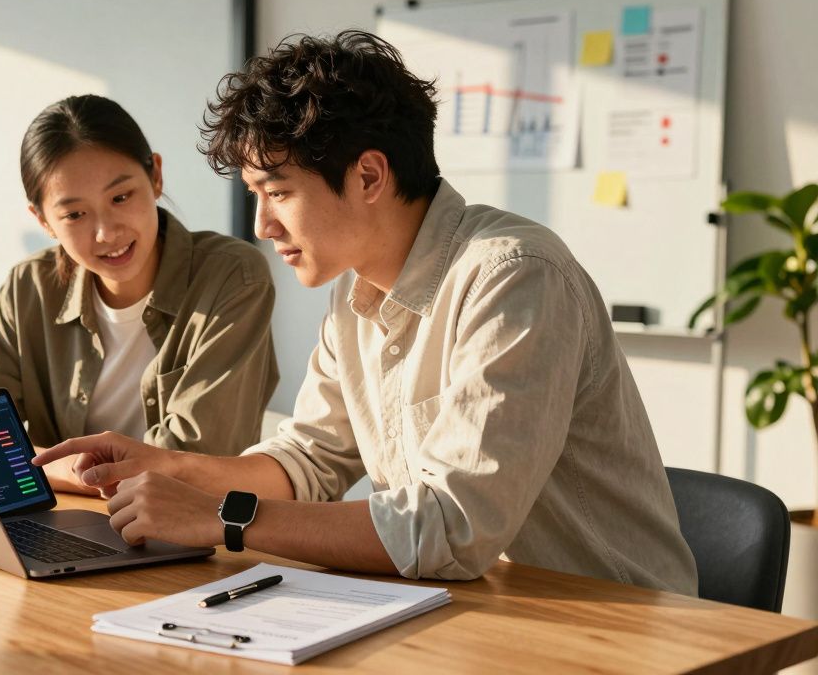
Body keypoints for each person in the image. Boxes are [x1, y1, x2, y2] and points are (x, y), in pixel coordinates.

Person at [34, 31, 698, 595]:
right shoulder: (355, 297)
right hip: (478, 612)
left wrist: (223, 515)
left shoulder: (515, 278)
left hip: (614, 628)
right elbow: (309, 460)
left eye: (277, 192)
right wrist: (165, 469)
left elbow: (450, 527)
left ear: (370, 177)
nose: (262, 225)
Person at [0, 94, 279, 495]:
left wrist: (37, 467)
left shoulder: (232, 277)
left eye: (121, 197)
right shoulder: (29, 287)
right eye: (74, 215)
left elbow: (194, 460)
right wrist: (72, 471)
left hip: (198, 536)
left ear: (155, 176)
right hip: (75, 524)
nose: (107, 233)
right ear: (43, 221)